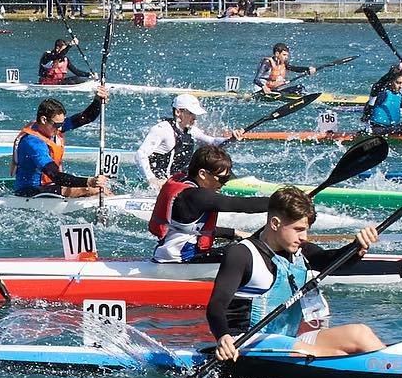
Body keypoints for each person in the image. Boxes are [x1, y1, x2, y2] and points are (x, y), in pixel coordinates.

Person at [207, 185, 383, 362]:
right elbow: (216, 306)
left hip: (287, 340)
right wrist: (223, 337)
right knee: (334, 355)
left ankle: (400, 371)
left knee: (360, 333)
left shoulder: (300, 251)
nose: (304, 237)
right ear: (275, 223)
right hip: (244, 343)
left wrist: (357, 247)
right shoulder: (242, 254)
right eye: (298, 230)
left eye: (306, 229)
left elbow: (332, 261)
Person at [149, 145, 271, 263]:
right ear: (202, 174)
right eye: (222, 179)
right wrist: (282, 201)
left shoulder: (184, 184)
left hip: (167, 256)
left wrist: (234, 233)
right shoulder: (196, 196)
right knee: (249, 250)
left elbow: (192, 230)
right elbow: (242, 205)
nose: (224, 184)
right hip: (181, 260)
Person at [11, 94, 114, 198]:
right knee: (95, 190)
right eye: (57, 125)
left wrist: (97, 101)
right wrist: (89, 181)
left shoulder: (51, 127)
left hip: (50, 185)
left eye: (61, 124)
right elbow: (55, 176)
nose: (60, 128)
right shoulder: (33, 143)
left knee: (101, 189)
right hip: (30, 190)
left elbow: (86, 117)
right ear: (43, 120)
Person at [135, 93, 244, 186]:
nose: (195, 118)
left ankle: (231, 185)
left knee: (216, 163)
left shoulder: (191, 130)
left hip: (180, 181)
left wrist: (232, 139)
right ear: (178, 112)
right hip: (163, 184)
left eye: (195, 114)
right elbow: (141, 154)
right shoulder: (162, 129)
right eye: (191, 113)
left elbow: (212, 142)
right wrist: (152, 180)